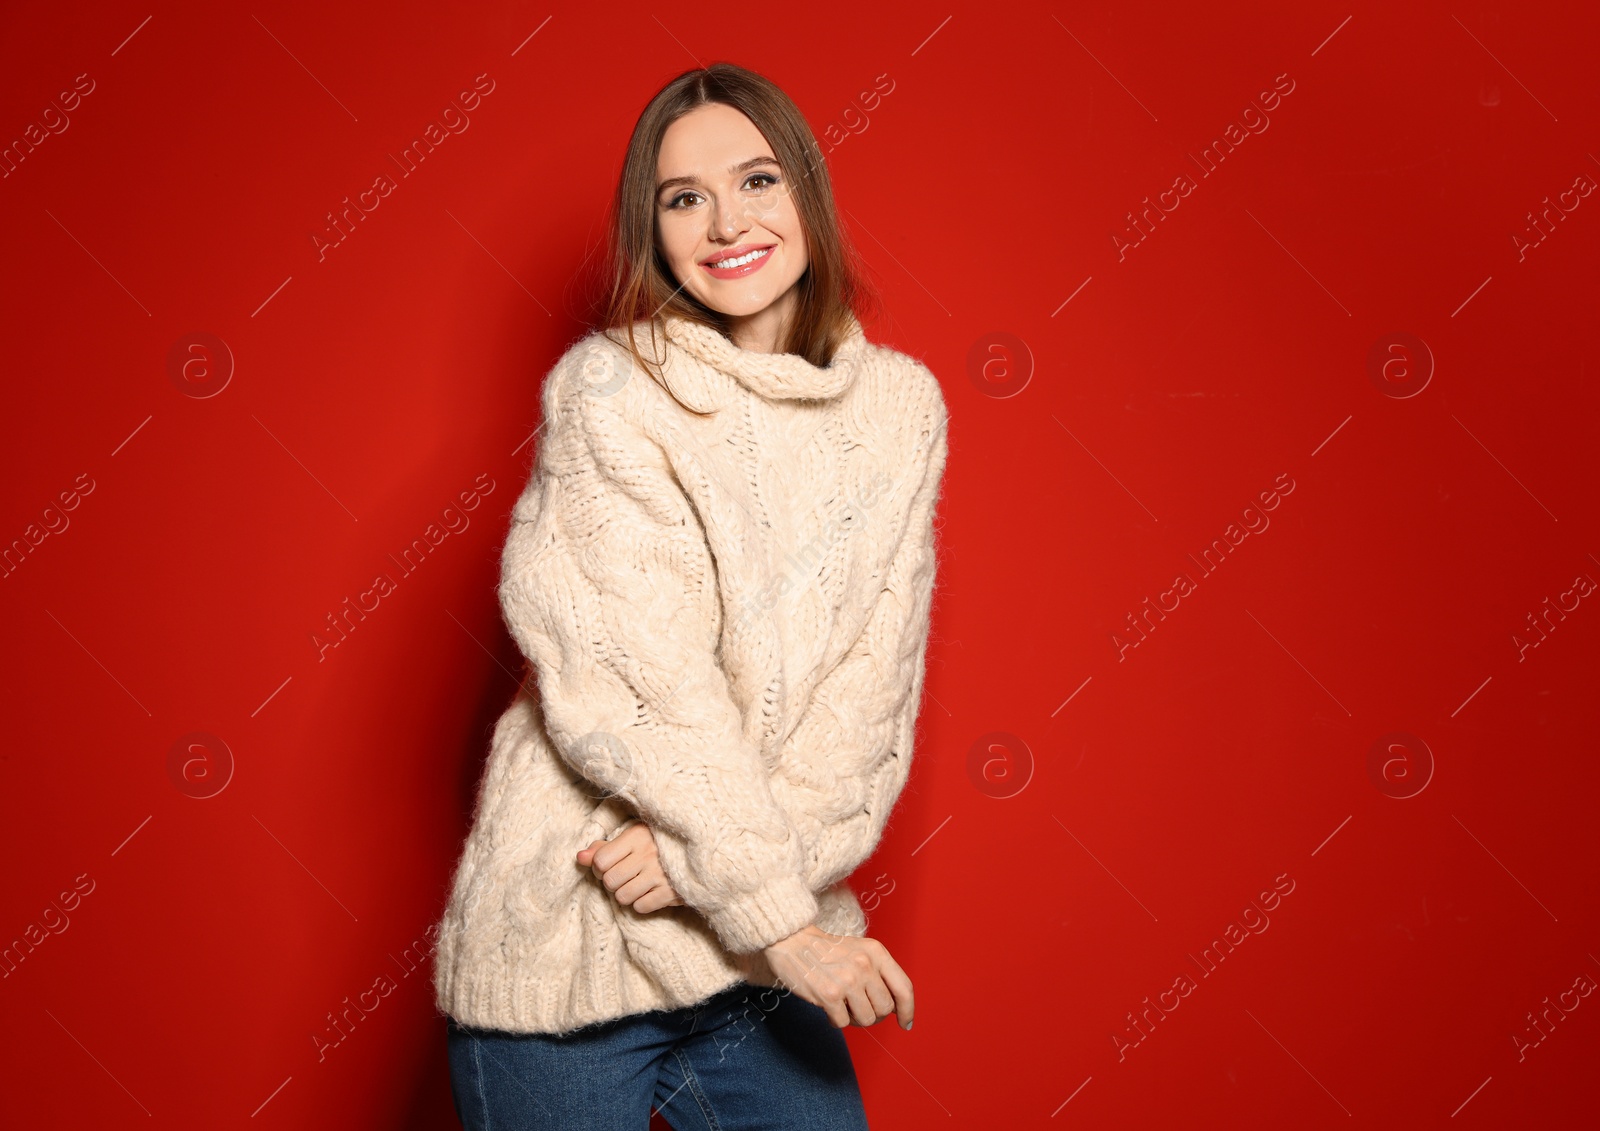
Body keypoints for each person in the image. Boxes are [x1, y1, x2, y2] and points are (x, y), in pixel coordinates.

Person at [432, 60, 950, 1130]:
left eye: (757, 181)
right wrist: (777, 913)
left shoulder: (902, 409)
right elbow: (634, 682)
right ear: (654, 231)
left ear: (806, 193)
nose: (726, 222)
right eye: (683, 198)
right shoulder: (613, 393)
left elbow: (869, 696)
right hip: (574, 945)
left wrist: (714, 876)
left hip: (747, 953)